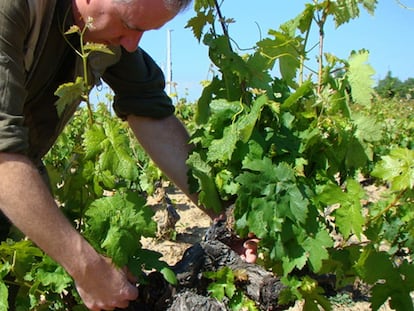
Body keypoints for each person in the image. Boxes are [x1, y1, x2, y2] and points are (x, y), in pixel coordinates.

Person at [0, 0, 257, 310]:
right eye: (130, 25)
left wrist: (226, 218)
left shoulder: (106, 32)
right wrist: (86, 267)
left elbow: (150, 112)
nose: (132, 44)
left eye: (145, 32)